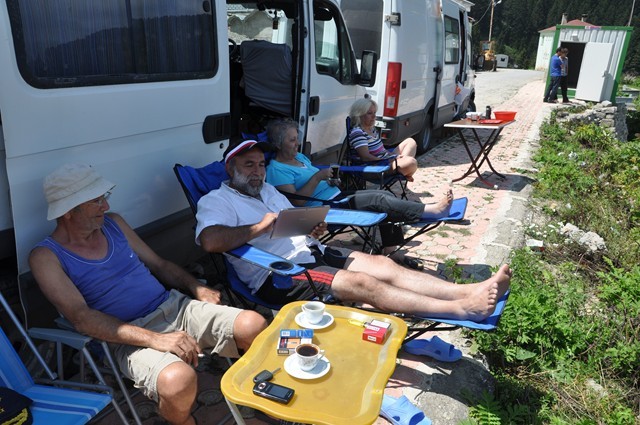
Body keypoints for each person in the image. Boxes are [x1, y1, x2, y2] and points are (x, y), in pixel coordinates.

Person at [29, 163, 267, 425]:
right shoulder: (46, 257)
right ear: (68, 211)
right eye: (96, 201)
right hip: (126, 336)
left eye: (103, 197)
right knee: (178, 380)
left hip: (174, 307)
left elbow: (159, 264)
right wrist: (156, 339)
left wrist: (196, 287)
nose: (105, 206)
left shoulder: (113, 224)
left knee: (253, 325)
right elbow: (81, 318)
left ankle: (254, 394)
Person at [195, 140, 512, 321]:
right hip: (279, 274)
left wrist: (310, 228)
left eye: (261, 164)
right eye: (249, 165)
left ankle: (467, 290)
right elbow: (210, 241)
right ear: (230, 168)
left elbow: (288, 222)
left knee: (384, 265)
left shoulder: (267, 191)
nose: (258, 171)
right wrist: (260, 226)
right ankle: (459, 309)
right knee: (363, 283)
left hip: (310, 252)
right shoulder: (216, 200)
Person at [264, 118, 453, 267]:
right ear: (278, 144)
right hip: (323, 209)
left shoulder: (300, 157)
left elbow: (317, 180)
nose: (297, 143)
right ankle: (432, 210)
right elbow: (295, 203)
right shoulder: (276, 169)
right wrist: (317, 177)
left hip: (337, 197)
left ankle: (391, 250)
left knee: (386, 196)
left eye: (297, 138)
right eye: (292, 140)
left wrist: (330, 179)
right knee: (378, 199)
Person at [348, 98, 418, 181]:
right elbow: (366, 157)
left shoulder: (371, 129)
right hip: (374, 167)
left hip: (384, 160)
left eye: (374, 113)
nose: (374, 116)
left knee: (410, 142)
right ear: (359, 115)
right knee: (411, 162)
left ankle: (404, 170)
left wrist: (395, 156)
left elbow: (382, 150)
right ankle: (405, 170)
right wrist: (389, 160)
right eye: (369, 113)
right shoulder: (358, 133)